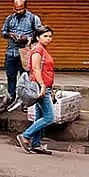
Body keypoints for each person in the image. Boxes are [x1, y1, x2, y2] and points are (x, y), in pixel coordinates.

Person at [16, 26, 56, 155]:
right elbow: (36, 68)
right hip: (40, 87)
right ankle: (25, 136)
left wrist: (49, 87)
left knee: (40, 116)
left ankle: (36, 144)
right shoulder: (38, 50)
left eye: (50, 36)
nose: (48, 39)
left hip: (45, 86)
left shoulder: (43, 49)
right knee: (49, 117)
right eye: (45, 36)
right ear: (38, 37)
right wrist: (43, 85)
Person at [1, 0, 42, 98]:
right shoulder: (10, 18)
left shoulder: (33, 18)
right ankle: (11, 97)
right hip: (11, 52)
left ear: (25, 7)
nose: (19, 11)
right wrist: (10, 35)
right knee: (11, 76)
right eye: (16, 9)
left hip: (25, 53)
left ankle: (25, 100)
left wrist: (27, 38)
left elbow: (40, 34)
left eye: (21, 9)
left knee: (25, 78)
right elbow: (3, 32)